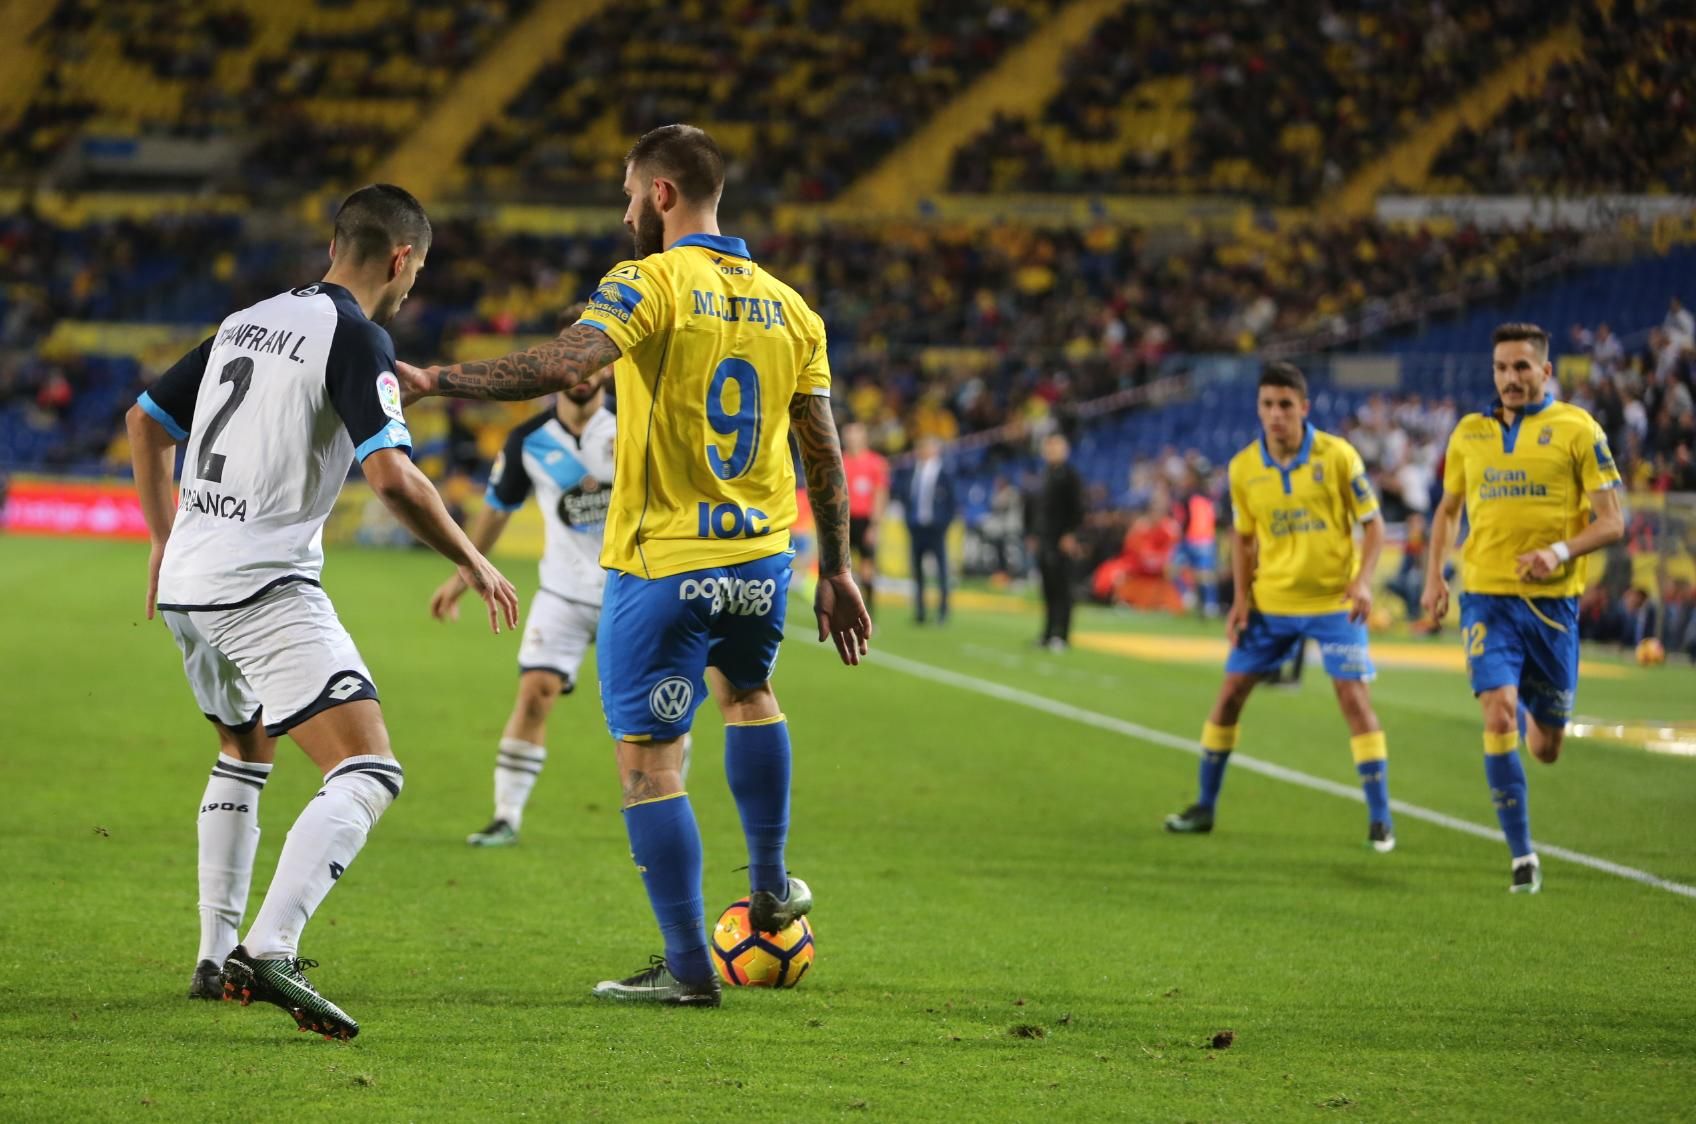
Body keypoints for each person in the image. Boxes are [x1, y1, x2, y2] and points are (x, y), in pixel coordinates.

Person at [396, 124, 871, 1006]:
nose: (624, 212)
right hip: (763, 562)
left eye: (627, 193)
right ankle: (770, 885)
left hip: (663, 566)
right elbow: (824, 453)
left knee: (651, 765)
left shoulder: (648, 282)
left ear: (661, 195)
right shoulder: (793, 306)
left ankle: (690, 972)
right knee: (751, 696)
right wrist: (836, 568)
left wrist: (437, 378)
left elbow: (563, 362)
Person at [126, 185, 519, 1039]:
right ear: (403, 259)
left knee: (243, 749)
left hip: (193, 584)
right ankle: (270, 948)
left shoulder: (248, 319)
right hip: (261, 586)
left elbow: (146, 420)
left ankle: (213, 954)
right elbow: (392, 477)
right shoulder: (356, 335)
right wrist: (473, 556)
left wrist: (166, 538)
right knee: (369, 770)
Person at [1422, 322, 1624, 894]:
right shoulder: (1468, 433)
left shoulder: (1578, 430)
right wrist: (1435, 576)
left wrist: (1557, 551)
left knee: (1546, 747)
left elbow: (1613, 521)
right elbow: (1447, 510)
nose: (1509, 378)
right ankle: (1522, 856)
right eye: (1500, 368)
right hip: (1486, 596)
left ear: (1545, 371)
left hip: (1553, 607)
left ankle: (1540, 710)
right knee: (1498, 713)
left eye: (1521, 368)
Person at [1165, 362, 1395, 852]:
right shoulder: (1244, 467)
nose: (1275, 414)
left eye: (1285, 405)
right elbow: (1243, 538)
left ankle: (1380, 817)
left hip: (1334, 603)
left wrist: (1363, 582)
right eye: (1267, 405)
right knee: (1228, 697)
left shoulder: (1338, 457)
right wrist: (1240, 601)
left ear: (1304, 408)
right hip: (1271, 605)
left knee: (1354, 701)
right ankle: (1204, 806)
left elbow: (1373, 526)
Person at [427, 364, 629, 847]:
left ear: (609, 368)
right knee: (534, 693)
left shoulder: (634, 425)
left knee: (649, 708)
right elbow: (498, 508)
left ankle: (658, 812)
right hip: (562, 591)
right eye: (572, 361)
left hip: (633, 590)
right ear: (555, 365)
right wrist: (463, 574)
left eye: (593, 361)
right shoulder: (528, 440)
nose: (582, 373)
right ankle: (506, 816)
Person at [1031, 432, 1085, 650]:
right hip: (1045, 539)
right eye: (1049, 447)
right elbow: (1039, 510)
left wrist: (1071, 534)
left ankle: (1062, 635)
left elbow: (1078, 509)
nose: (1051, 451)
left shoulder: (1070, 476)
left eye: (1055, 447)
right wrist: (1035, 534)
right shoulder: (1046, 475)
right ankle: (1047, 633)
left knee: (1063, 589)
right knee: (1048, 589)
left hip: (1061, 540)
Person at [904, 435, 956, 624]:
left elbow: (952, 501)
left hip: (936, 528)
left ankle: (943, 610)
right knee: (917, 571)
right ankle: (920, 611)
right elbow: (906, 497)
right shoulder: (913, 470)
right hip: (917, 527)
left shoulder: (944, 472)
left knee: (941, 570)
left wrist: (943, 523)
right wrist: (909, 521)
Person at [841, 422, 889, 619]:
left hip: (865, 520)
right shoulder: (839, 460)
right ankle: (843, 611)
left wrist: (875, 526)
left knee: (867, 569)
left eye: (856, 435)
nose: (851, 439)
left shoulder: (876, 462)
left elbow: (880, 493)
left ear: (864, 438)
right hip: (842, 521)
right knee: (841, 569)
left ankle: (868, 612)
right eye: (849, 435)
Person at [1172, 468, 1220, 617]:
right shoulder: (1207, 496)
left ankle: (1207, 603)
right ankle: (1195, 598)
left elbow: (1186, 519)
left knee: (1204, 575)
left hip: (1198, 539)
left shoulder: (1193, 496)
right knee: (1175, 569)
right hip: (1199, 540)